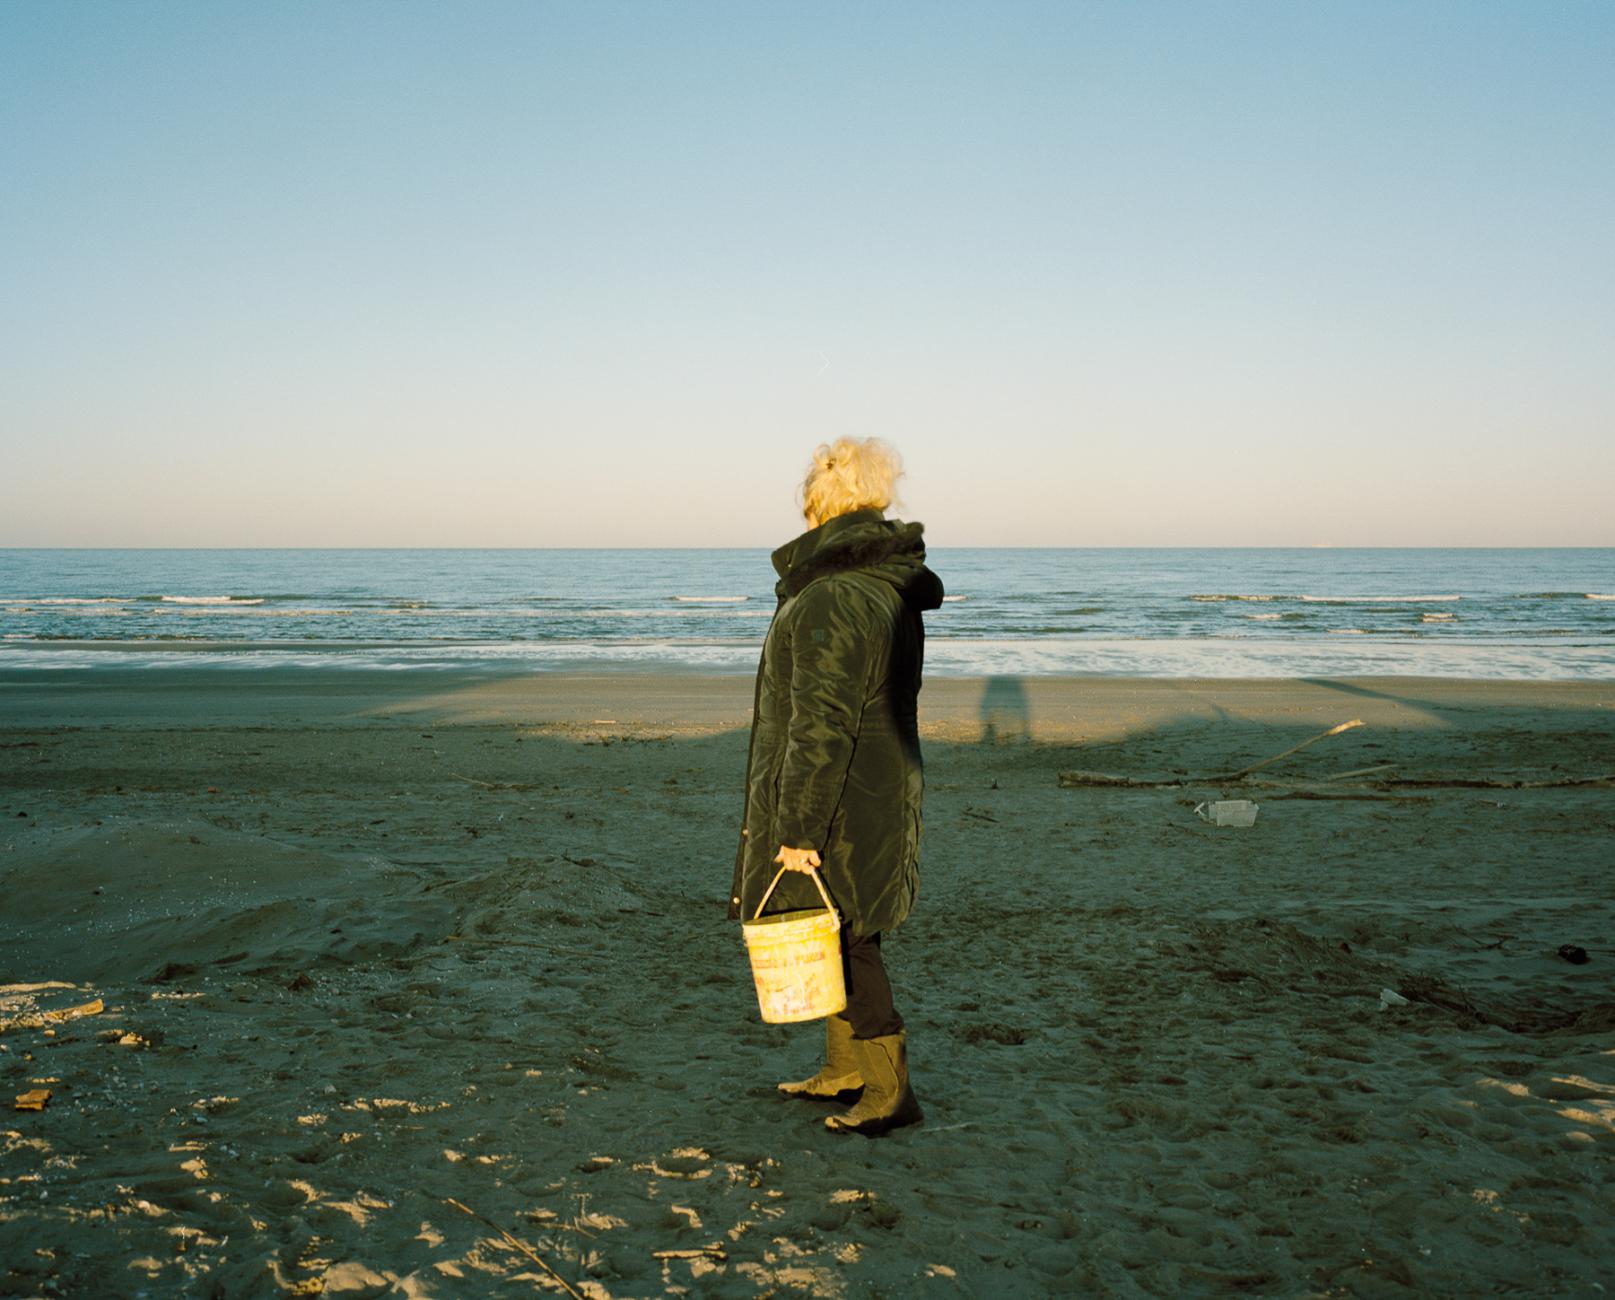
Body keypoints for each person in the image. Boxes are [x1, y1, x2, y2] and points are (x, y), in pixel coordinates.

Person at [729, 437, 943, 1136]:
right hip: (877, 789)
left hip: (845, 801)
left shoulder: (834, 597)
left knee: (849, 939)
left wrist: (799, 830)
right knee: (838, 929)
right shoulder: (881, 588)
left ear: (818, 507)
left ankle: (889, 1092)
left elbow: (820, 726)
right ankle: (845, 1070)